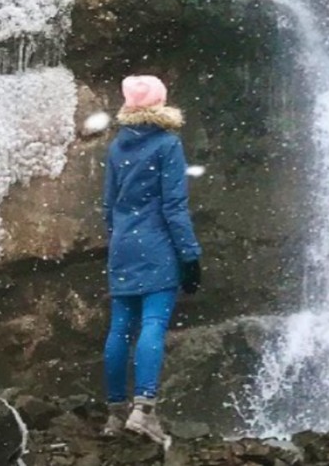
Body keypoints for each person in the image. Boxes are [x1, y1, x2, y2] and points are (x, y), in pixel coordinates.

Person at [101, 74, 203, 447]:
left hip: (123, 245)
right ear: (161, 104)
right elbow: (174, 207)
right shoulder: (167, 144)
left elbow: (108, 206)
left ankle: (115, 412)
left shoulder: (117, 146)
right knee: (153, 324)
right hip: (157, 244)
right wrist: (190, 256)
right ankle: (144, 410)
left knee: (119, 328)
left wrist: (121, 238)